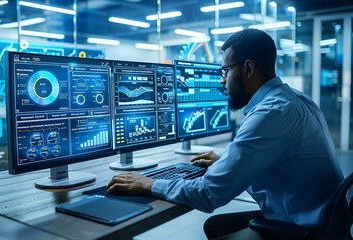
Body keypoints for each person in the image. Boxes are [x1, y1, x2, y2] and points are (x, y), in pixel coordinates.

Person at [107, 28, 344, 240]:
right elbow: (278, 162)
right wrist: (227, 162)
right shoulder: (295, 99)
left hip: (303, 229)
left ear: (248, 68)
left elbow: (209, 194)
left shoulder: (270, 114)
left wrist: (149, 183)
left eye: (225, 71)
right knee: (216, 226)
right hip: (324, 218)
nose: (222, 81)